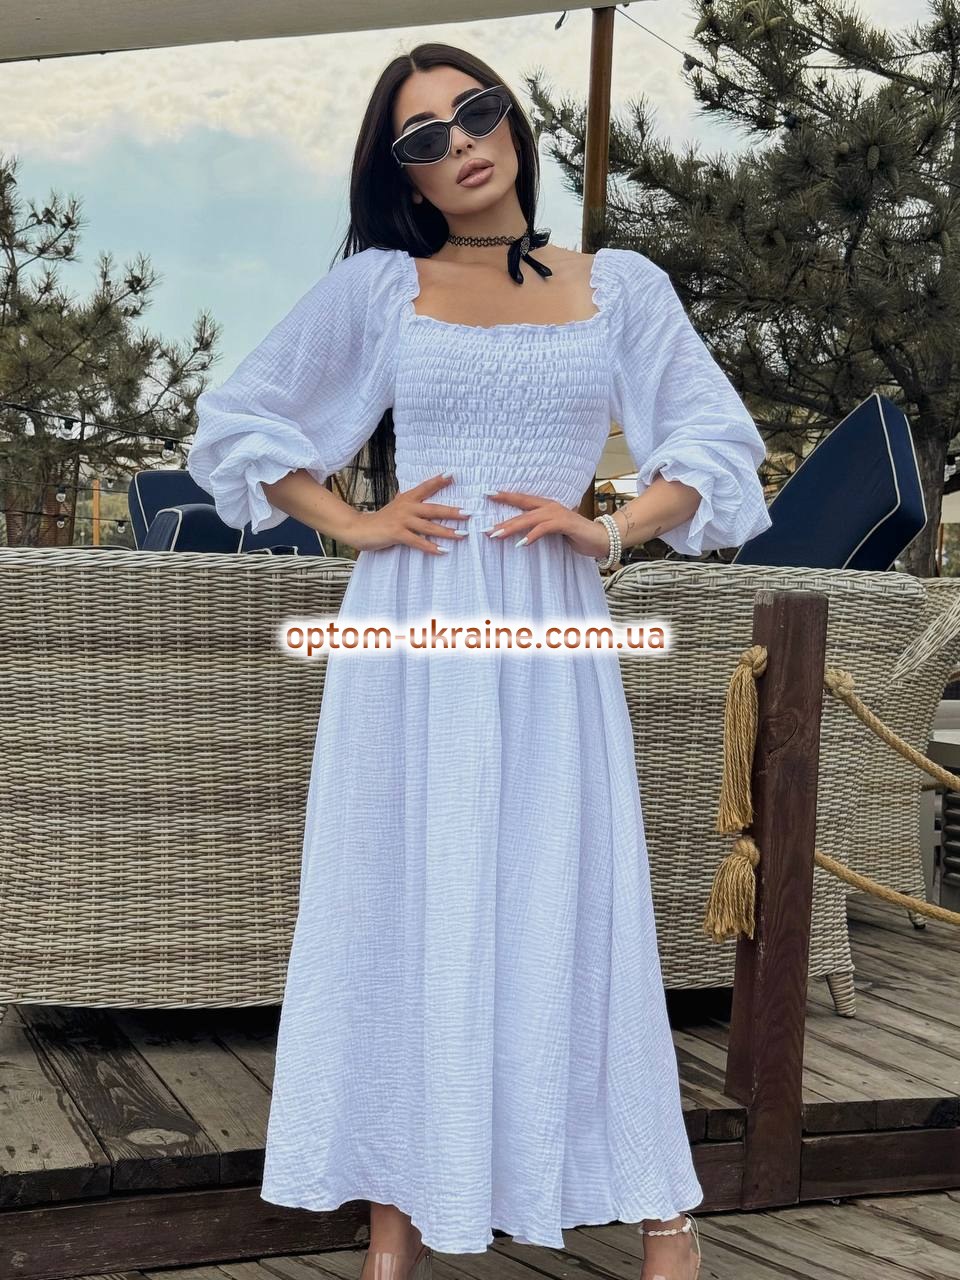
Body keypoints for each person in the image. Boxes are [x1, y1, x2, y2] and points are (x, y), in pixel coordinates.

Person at [186, 42, 772, 1280]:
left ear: (512, 124)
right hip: (410, 629)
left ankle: (667, 1218)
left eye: (475, 112)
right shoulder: (381, 289)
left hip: (551, 627)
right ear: (401, 175)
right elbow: (241, 417)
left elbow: (716, 443)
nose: (457, 142)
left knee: (572, 894)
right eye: (422, 137)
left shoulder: (619, 285)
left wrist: (612, 527)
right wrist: (352, 521)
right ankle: (398, 1213)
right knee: (405, 894)